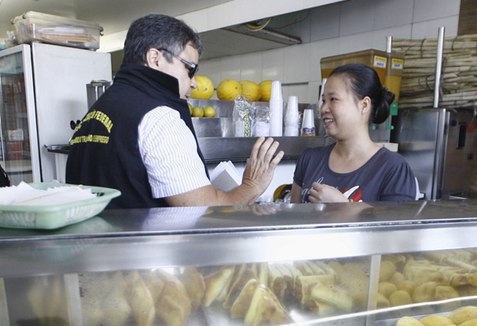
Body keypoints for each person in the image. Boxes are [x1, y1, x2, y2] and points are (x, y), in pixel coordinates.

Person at [66, 14, 283, 209]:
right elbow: (204, 210)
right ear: (155, 58)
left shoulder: (96, 110)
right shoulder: (159, 117)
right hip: (144, 251)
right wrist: (251, 186)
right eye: (190, 69)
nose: (194, 83)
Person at [290, 63, 417, 203]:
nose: (324, 108)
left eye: (333, 99)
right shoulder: (309, 159)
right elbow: (293, 220)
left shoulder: (393, 168)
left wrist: (342, 206)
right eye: (324, 100)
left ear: (364, 105)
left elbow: (395, 224)